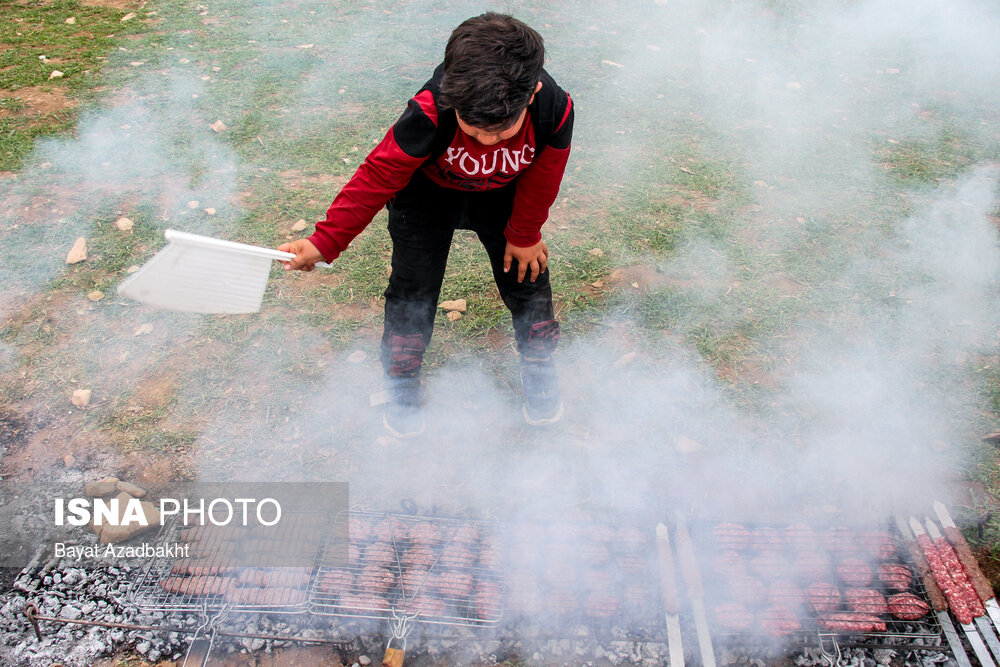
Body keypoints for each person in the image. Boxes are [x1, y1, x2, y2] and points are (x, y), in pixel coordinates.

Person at [279, 12, 574, 438]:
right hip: (426, 199)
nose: (487, 141)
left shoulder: (555, 109)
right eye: (474, 130)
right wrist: (325, 241)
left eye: (501, 132)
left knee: (529, 281)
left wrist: (525, 233)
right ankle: (401, 383)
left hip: (504, 199)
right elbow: (377, 176)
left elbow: (545, 174)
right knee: (411, 291)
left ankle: (540, 366)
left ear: (531, 97)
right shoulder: (430, 109)